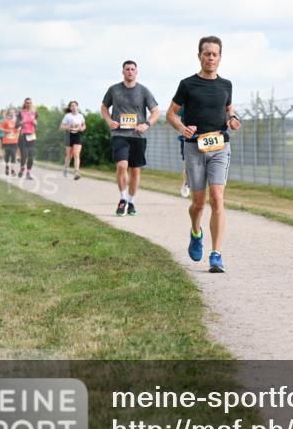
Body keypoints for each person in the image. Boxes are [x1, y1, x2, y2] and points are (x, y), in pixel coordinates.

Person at [166, 35, 239, 273]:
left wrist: (233, 119)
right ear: (199, 56)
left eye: (214, 54)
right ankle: (196, 232)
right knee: (198, 204)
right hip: (195, 148)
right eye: (206, 53)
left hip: (219, 145)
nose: (210, 58)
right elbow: (171, 114)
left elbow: (229, 111)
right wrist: (182, 128)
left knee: (217, 198)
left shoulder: (226, 85)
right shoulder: (187, 84)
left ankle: (216, 254)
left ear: (220, 57)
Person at [101, 60, 159, 216]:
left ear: (136, 72)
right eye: (127, 69)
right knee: (121, 166)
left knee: (135, 171)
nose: (130, 72)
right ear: (122, 71)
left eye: (133, 69)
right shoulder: (113, 90)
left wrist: (146, 124)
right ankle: (122, 199)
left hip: (137, 136)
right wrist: (109, 121)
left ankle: (131, 202)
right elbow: (104, 107)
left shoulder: (144, 91)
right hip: (119, 134)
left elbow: (155, 112)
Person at [60, 100, 87, 180]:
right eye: (72, 106)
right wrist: (68, 127)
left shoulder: (81, 116)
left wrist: (82, 128)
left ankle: (76, 172)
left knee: (76, 154)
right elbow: (62, 126)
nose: (73, 107)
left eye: (75, 105)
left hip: (77, 135)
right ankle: (66, 168)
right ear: (70, 108)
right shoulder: (67, 116)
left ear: (77, 107)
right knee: (69, 155)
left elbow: (84, 125)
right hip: (69, 135)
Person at [16, 98, 38, 179]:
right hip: (23, 136)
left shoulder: (34, 113)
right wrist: (22, 121)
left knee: (31, 155)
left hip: (32, 136)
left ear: (31, 104)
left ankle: (28, 173)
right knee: (24, 155)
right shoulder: (20, 113)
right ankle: (22, 168)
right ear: (24, 104)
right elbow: (16, 125)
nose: (28, 104)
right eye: (27, 103)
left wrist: (35, 123)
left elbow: (36, 124)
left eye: (30, 103)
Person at [0, 109, 20, 176]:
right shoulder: (6, 121)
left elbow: (21, 127)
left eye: (13, 112)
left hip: (14, 140)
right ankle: (7, 166)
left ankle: (12, 170)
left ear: (15, 113)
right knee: (7, 155)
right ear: (8, 113)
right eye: (10, 112)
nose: (11, 113)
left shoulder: (17, 121)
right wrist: (5, 130)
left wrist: (19, 129)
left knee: (13, 155)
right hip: (6, 141)